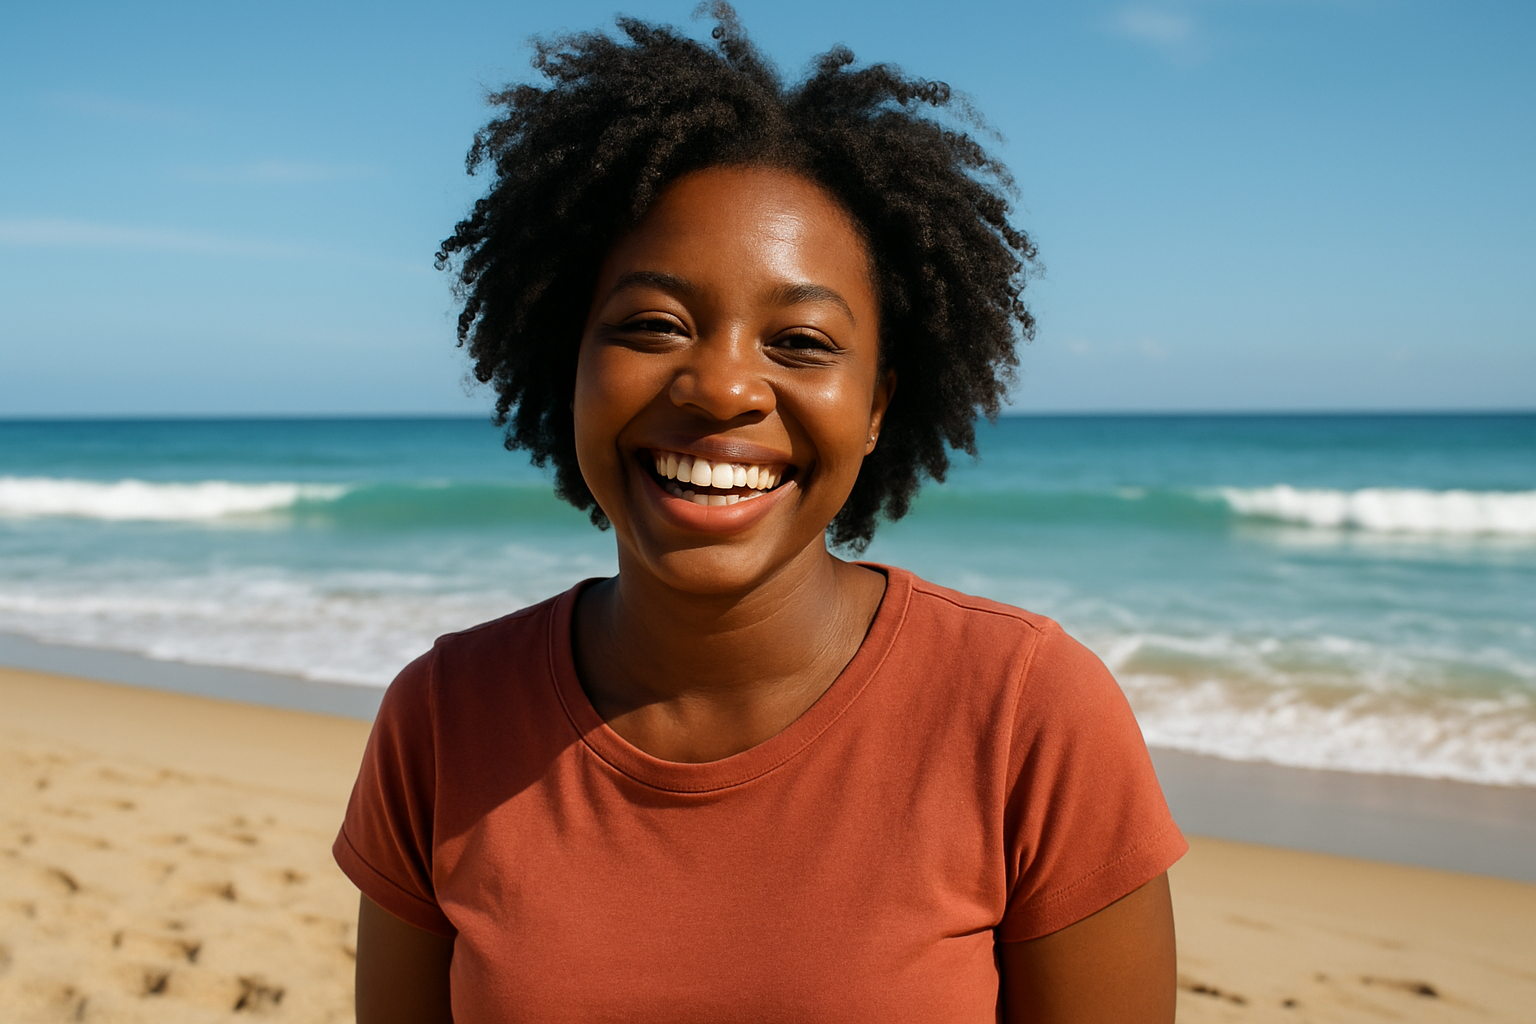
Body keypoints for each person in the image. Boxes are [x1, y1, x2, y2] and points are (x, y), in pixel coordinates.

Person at [334, 7, 1186, 1022]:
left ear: (876, 409)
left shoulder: (1028, 715)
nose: (722, 384)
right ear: (569, 367)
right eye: (654, 324)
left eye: (802, 342)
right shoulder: (441, 719)